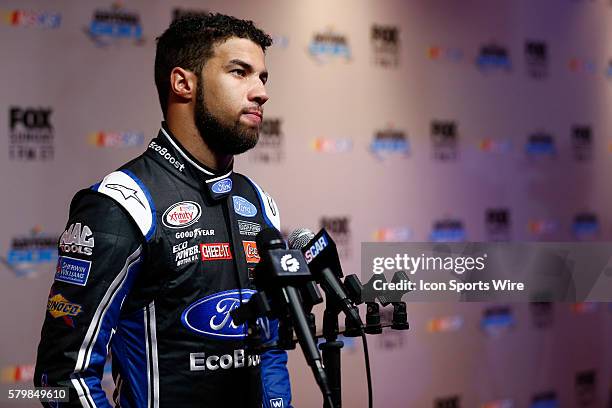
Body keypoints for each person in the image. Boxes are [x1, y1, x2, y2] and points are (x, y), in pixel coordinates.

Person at [34, 13, 292, 408]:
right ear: (182, 83)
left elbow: (269, 345)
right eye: (240, 72)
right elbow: (61, 375)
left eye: (262, 77)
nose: (261, 92)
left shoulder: (259, 202)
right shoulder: (121, 202)